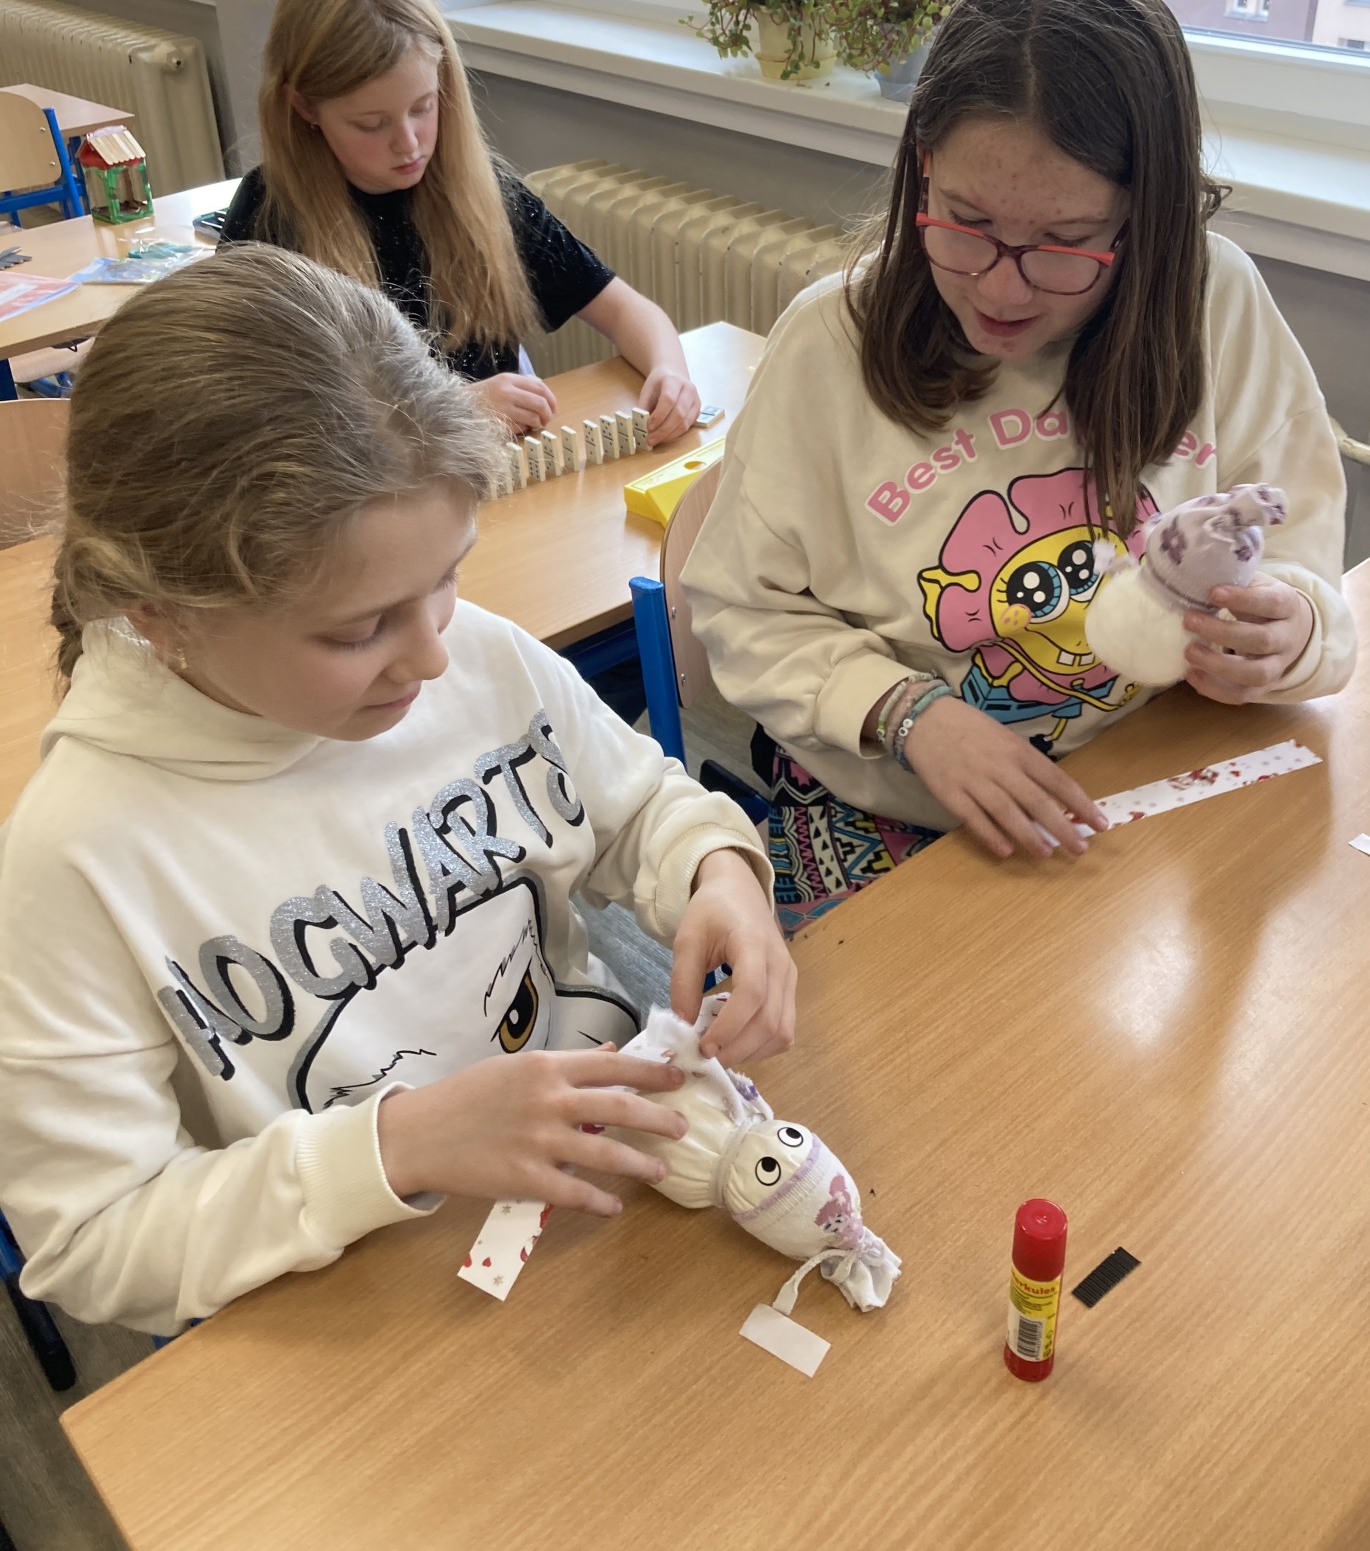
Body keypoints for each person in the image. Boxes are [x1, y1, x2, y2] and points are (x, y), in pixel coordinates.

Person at [0, 247, 794, 1335]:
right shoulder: (74, 861)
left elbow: (639, 803)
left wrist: (719, 869)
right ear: (162, 613)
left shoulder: (475, 653)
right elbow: (96, 1243)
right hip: (371, 1315)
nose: (431, 656)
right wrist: (396, 1145)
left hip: (601, 1222)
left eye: (449, 574)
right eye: (359, 630)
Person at [683, 0, 1356, 930]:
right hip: (890, 796)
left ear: (1147, 218)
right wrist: (912, 715)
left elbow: (1308, 572)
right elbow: (740, 608)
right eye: (967, 223)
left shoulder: (1218, 306)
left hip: (1143, 771)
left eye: (1066, 242)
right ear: (923, 165)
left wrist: (1288, 634)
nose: (1001, 288)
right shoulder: (832, 344)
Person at [220, 0, 699, 443]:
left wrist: (669, 370)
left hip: (501, 472)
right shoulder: (268, 219)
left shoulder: (483, 191)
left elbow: (624, 309)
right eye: (371, 124)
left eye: (423, 107)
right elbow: (261, 414)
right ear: (304, 108)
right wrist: (447, 408)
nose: (408, 143)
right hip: (372, 485)